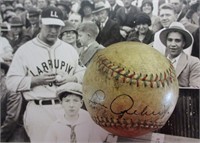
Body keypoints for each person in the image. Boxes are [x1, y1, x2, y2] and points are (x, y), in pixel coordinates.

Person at [6, 6, 85, 142]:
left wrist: (71, 78)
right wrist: (34, 80)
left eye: (57, 26)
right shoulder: (25, 50)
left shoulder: (69, 49)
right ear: (41, 23)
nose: (53, 30)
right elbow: (10, 82)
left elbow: (84, 72)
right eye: (49, 26)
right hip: (39, 109)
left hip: (67, 108)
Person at [44, 82, 118, 143]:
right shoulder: (55, 127)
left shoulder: (88, 125)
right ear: (61, 103)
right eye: (67, 101)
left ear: (81, 103)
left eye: (75, 101)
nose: (71, 105)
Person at [159, 22, 200, 88]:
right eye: (170, 40)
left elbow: (195, 90)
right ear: (166, 42)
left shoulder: (193, 62)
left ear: (183, 43)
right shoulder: (159, 62)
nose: (173, 44)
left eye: (177, 41)